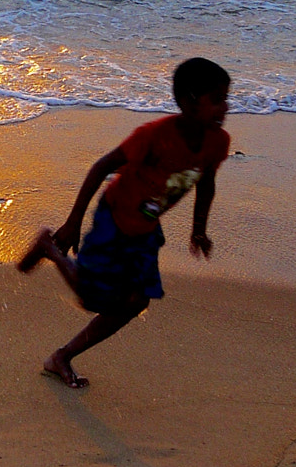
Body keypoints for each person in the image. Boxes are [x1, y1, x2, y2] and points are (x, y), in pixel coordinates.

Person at [18, 56, 231, 390]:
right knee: (92, 298)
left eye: (226, 98)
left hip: (145, 230)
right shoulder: (153, 136)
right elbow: (101, 167)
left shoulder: (218, 142)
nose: (225, 107)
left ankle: (62, 356)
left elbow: (205, 182)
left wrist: (199, 228)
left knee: (135, 302)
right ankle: (51, 248)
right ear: (190, 101)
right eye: (216, 99)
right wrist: (73, 222)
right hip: (114, 219)